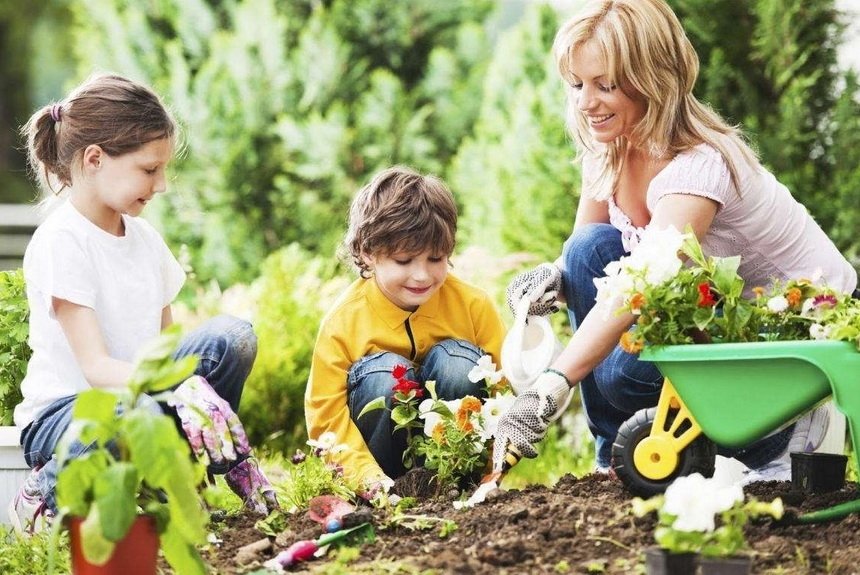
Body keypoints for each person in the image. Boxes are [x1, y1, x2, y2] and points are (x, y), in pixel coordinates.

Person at [495, 0, 858, 483]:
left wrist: (551, 385)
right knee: (586, 252)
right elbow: (585, 252)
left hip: (793, 343)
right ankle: (613, 458)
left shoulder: (699, 165)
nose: (586, 103)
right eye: (578, 84)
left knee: (621, 372)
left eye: (606, 85)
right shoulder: (609, 148)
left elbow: (638, 284)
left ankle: (780, 432)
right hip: (717, 324)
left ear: (653, 80)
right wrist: (550, 278)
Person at [9, 74, 278, 533]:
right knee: (138, 412)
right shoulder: (63, 240)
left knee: (232, 338)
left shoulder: (145, 239)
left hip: (141, 400)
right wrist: (178, 386)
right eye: (150, 169)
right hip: (68, 414)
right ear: (94, 159)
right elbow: (95, 368)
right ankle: (46, 491)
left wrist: (189, 389)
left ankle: (182, 471)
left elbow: (166, 344)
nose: (162, 185)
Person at [305, 166, 507, 490]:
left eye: (436, 258)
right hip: (382, 475)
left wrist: (491, 473)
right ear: (368, 253)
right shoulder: (343, 323)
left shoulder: (473, 306)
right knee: (385, 374)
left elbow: (504, 391)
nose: (422, 276)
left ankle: (456, 484)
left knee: (460, 366)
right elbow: (326, 420)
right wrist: (368, 481)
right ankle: (395, 488)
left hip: (456, 459)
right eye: (404, 261)